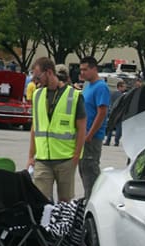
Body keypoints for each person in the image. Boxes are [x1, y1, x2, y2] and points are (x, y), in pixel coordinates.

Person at [26, 57, 86, 203]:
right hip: (42, 160)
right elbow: (35, 127)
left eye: (37, 77)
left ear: (49, 72)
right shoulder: (37, 94)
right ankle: (43, 226)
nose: (35, 81)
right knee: (40, 201)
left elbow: (82, 128)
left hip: (65, 159)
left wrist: (76, 156)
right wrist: (30, 156)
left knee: (65, 203)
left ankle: (62, 226)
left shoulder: (74, 96)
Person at [77, 56, 111, 200]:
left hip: (92, 138)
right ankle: (87, 200)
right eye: (81, 70)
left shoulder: (101, 87)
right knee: (84, 170)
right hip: (82, 136)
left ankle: (93, 202)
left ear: (94, 69)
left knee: (90, 171)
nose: (82, 73)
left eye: (85, 69)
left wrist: (90, 135)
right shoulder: (87, 86)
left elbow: (102, 112)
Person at [104, 80, 126, 147]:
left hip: (112, 113)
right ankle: (116, 142)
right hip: (119, 114)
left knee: (110, 127)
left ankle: (108, 141)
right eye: (124, 87)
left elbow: (109, 103)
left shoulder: (112, 94)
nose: (125, 88)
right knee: (118, 128)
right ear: (119, 87)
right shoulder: (122, 96)